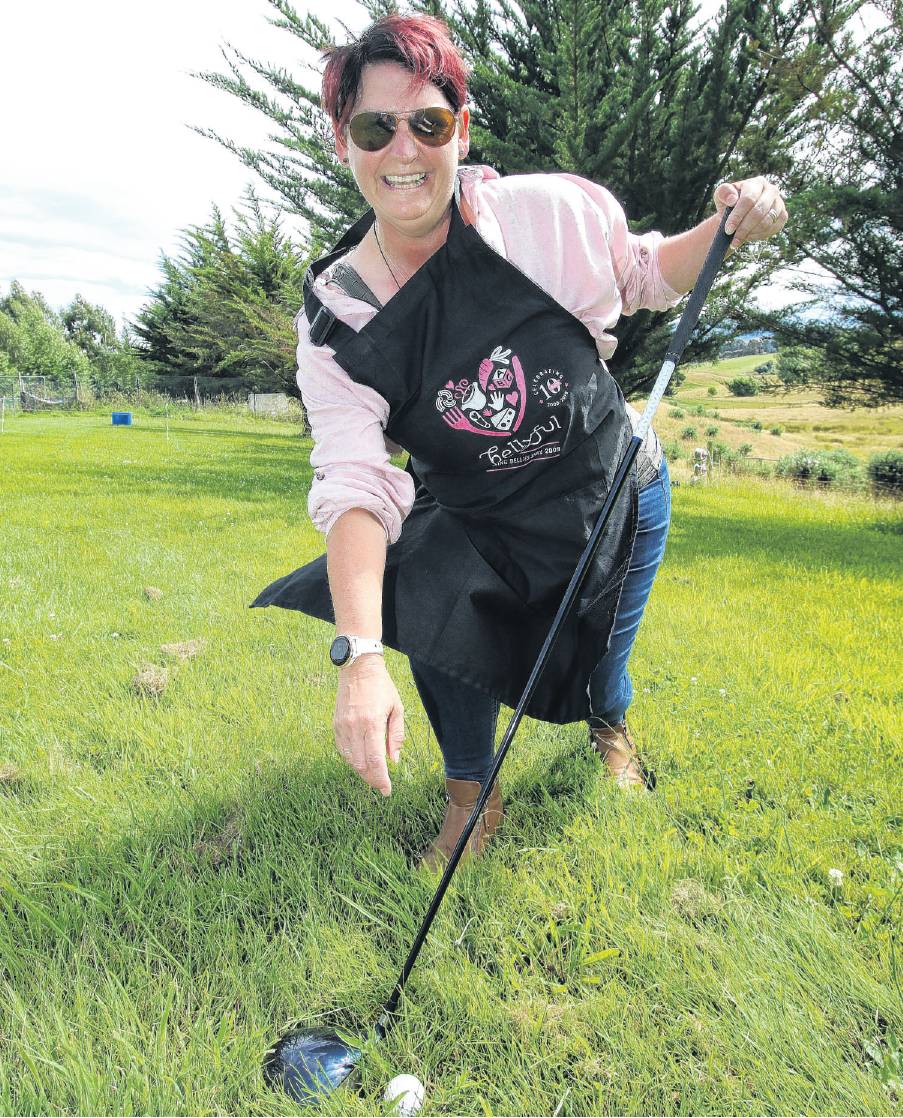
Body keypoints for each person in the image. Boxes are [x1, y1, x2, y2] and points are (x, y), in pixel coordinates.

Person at [253, 14, 788, 870]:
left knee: (601, 660)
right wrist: (358, 655)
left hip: (611, 488)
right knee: (431, 622)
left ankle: (608, 730)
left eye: (428, 123)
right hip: (476, 512)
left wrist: (724, 228)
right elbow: (356, 485)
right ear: (341, 141)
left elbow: (646, 272)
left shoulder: (552, 211)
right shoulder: (337, 318)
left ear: (460, 130)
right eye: (373, 126)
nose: (404, 148)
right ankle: (471, 798)